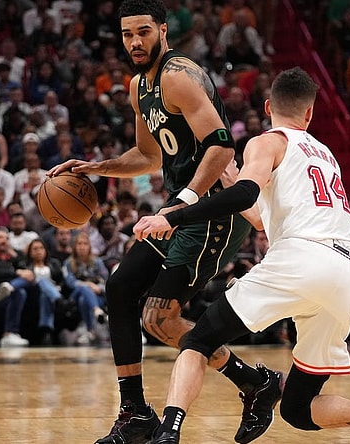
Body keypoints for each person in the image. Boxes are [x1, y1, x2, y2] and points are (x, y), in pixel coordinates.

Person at [134, 67, 350, 444]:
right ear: (310, 114)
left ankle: (168, 433)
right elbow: (263, 221)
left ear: (267, 107)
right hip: (347, 273)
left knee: (198, 341)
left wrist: (175, 216)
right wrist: (236, 184)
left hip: (301, 259)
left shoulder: (266, 142)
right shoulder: (327, 155)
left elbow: (247, 194)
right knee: (298, 408)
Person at [46, 2, 258, 443]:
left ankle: (255, 383)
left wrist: (179, 202)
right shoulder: (138, 85)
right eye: (127, 35)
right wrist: (94, 168)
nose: (135, 42)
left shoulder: (179, 74)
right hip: (179, 212)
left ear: (163, 30)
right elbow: (148, 155)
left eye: (144, 32)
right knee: (121, 287)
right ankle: (135, 413)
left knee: (159, 319)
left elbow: (221, 146)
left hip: (211, 212)